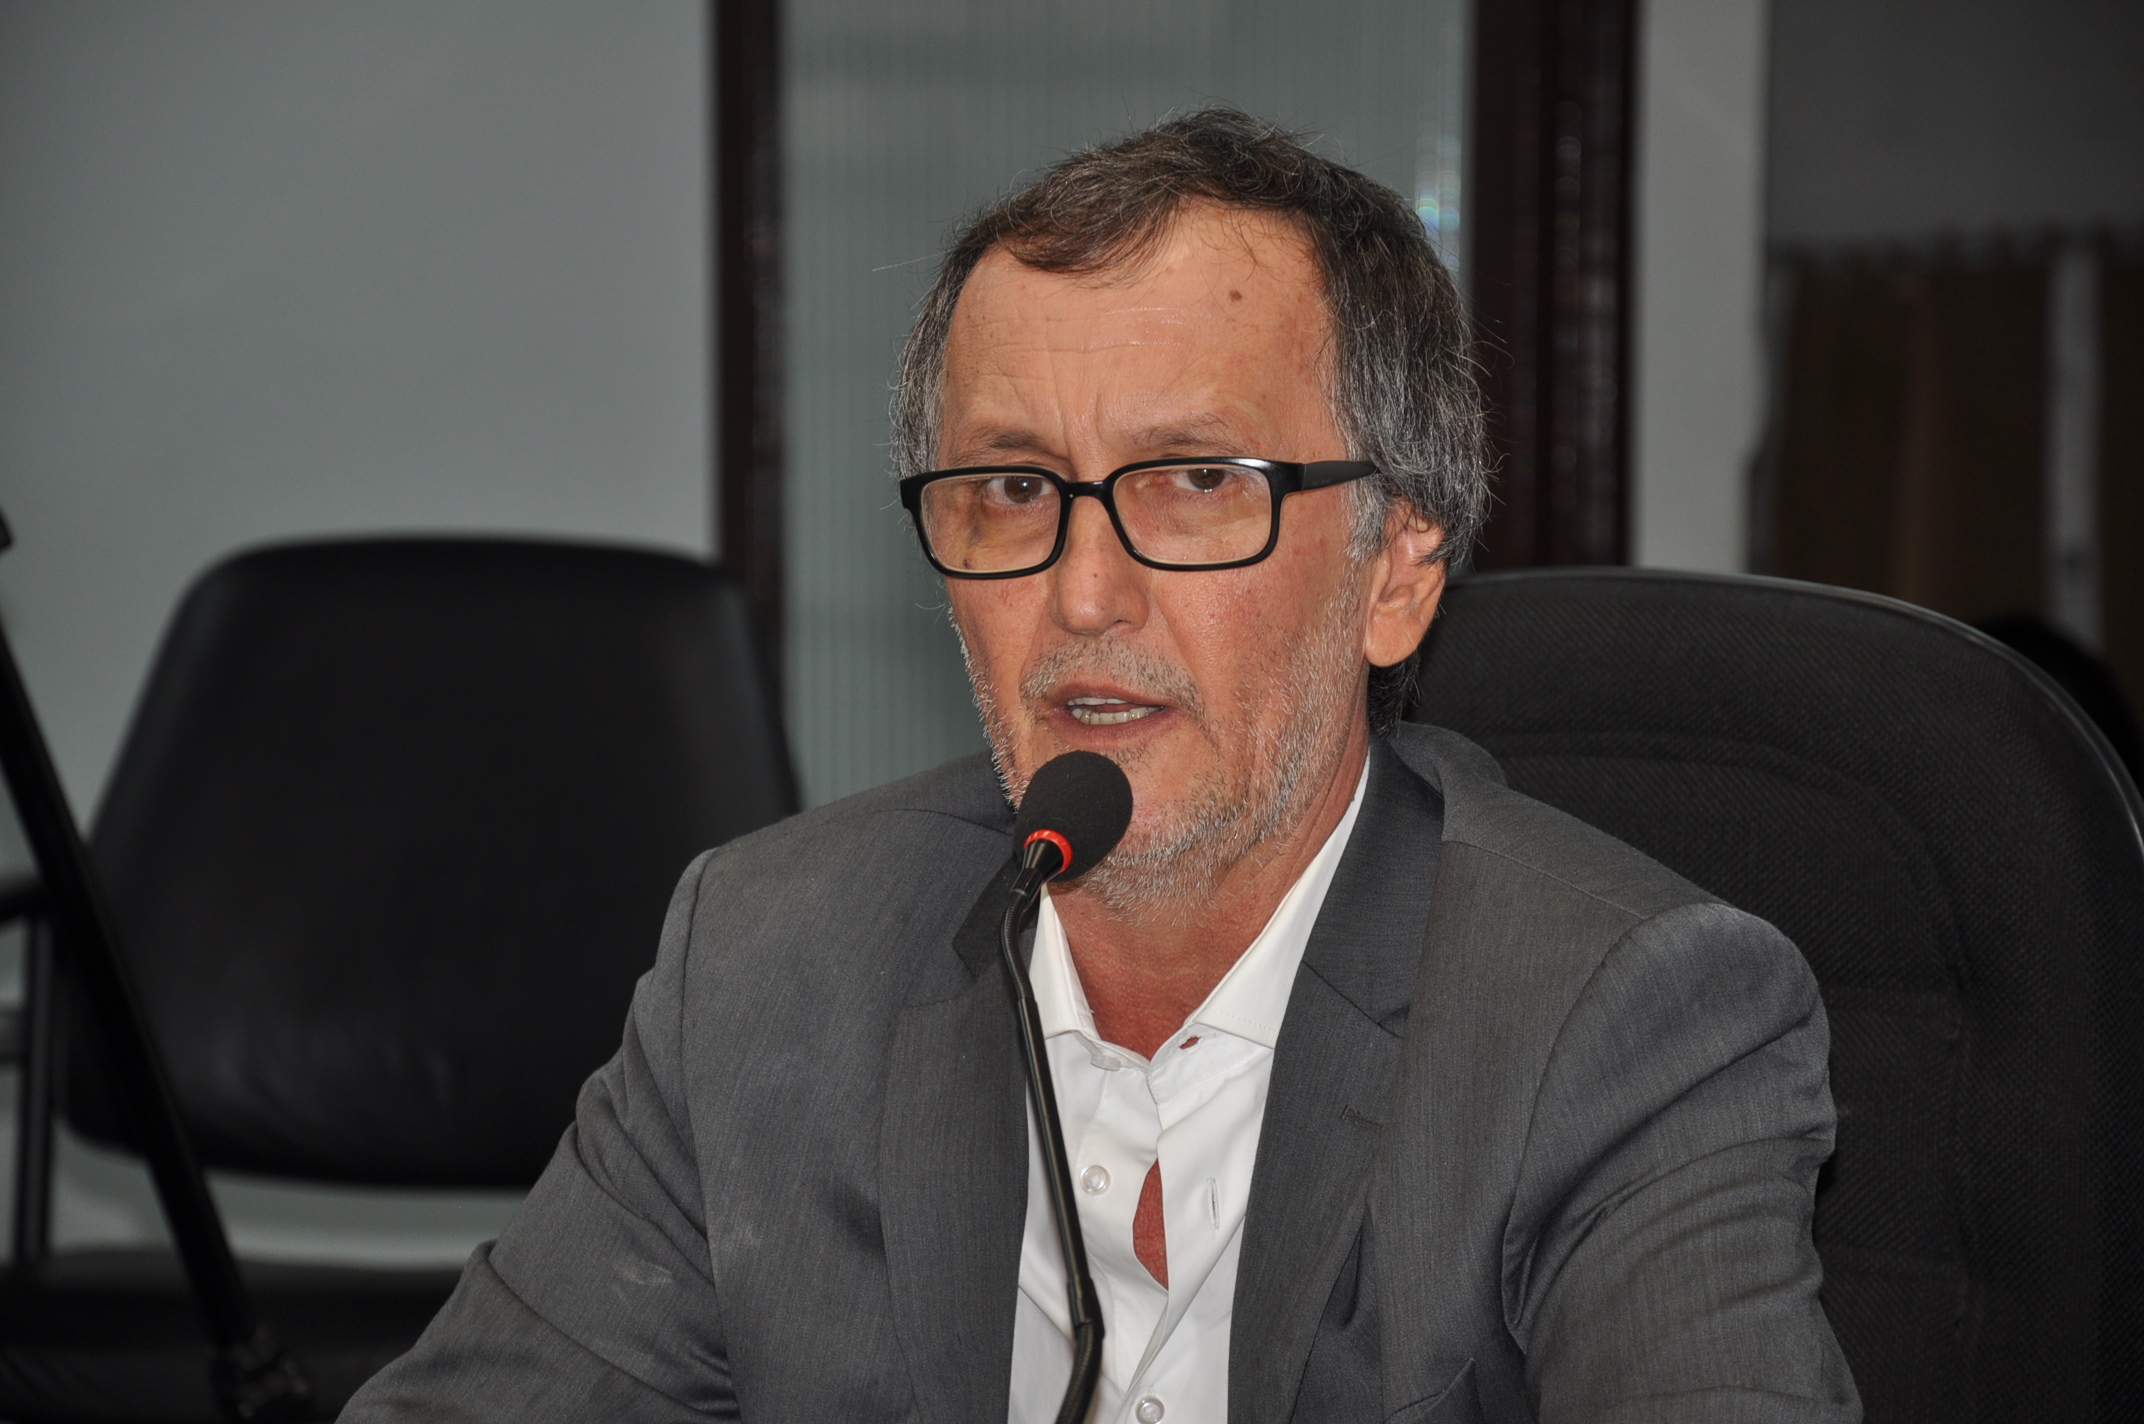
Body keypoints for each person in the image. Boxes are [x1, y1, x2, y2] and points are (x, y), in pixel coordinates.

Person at [344, 108, 1858, 1424]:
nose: (1081, 595)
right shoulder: (767, 966)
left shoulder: (1622, 1027)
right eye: (1013, 488)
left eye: (1195, 481)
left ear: (1396, 571)